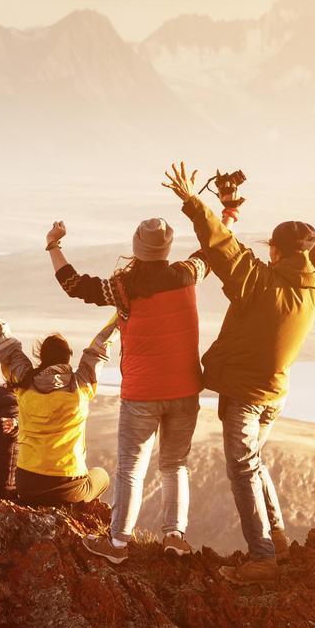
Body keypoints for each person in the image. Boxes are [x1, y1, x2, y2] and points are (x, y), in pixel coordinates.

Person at [163, 155, 315, 585]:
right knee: (253, 464)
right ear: (307, 252)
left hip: (245, 396)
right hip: (276, 395)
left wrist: (190, 200)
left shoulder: (258, 282)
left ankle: (263, 557)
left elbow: (220, 245)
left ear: (274, 249)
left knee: (242, 471)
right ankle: (277, 539)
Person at [46, 217, 211, 563]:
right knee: (175, 464)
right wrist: (226, 215)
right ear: (166, 248)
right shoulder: (188, 273)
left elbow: (74, 284)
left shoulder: (123, 287)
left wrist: (54, 245)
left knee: (131, 468)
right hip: (185, 389)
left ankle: (119, 543)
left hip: (142, 393)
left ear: (137, 247)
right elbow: (212, 251)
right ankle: (174, 537)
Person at [0, 281, 116, 509]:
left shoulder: (24, 381)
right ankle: (77, 515)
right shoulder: (80, 385)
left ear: (40, 357)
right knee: (101, 475)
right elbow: (100, 346)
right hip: (68, 482)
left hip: (27, 483)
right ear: (68, 358)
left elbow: (5, 345)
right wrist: (121, 315)